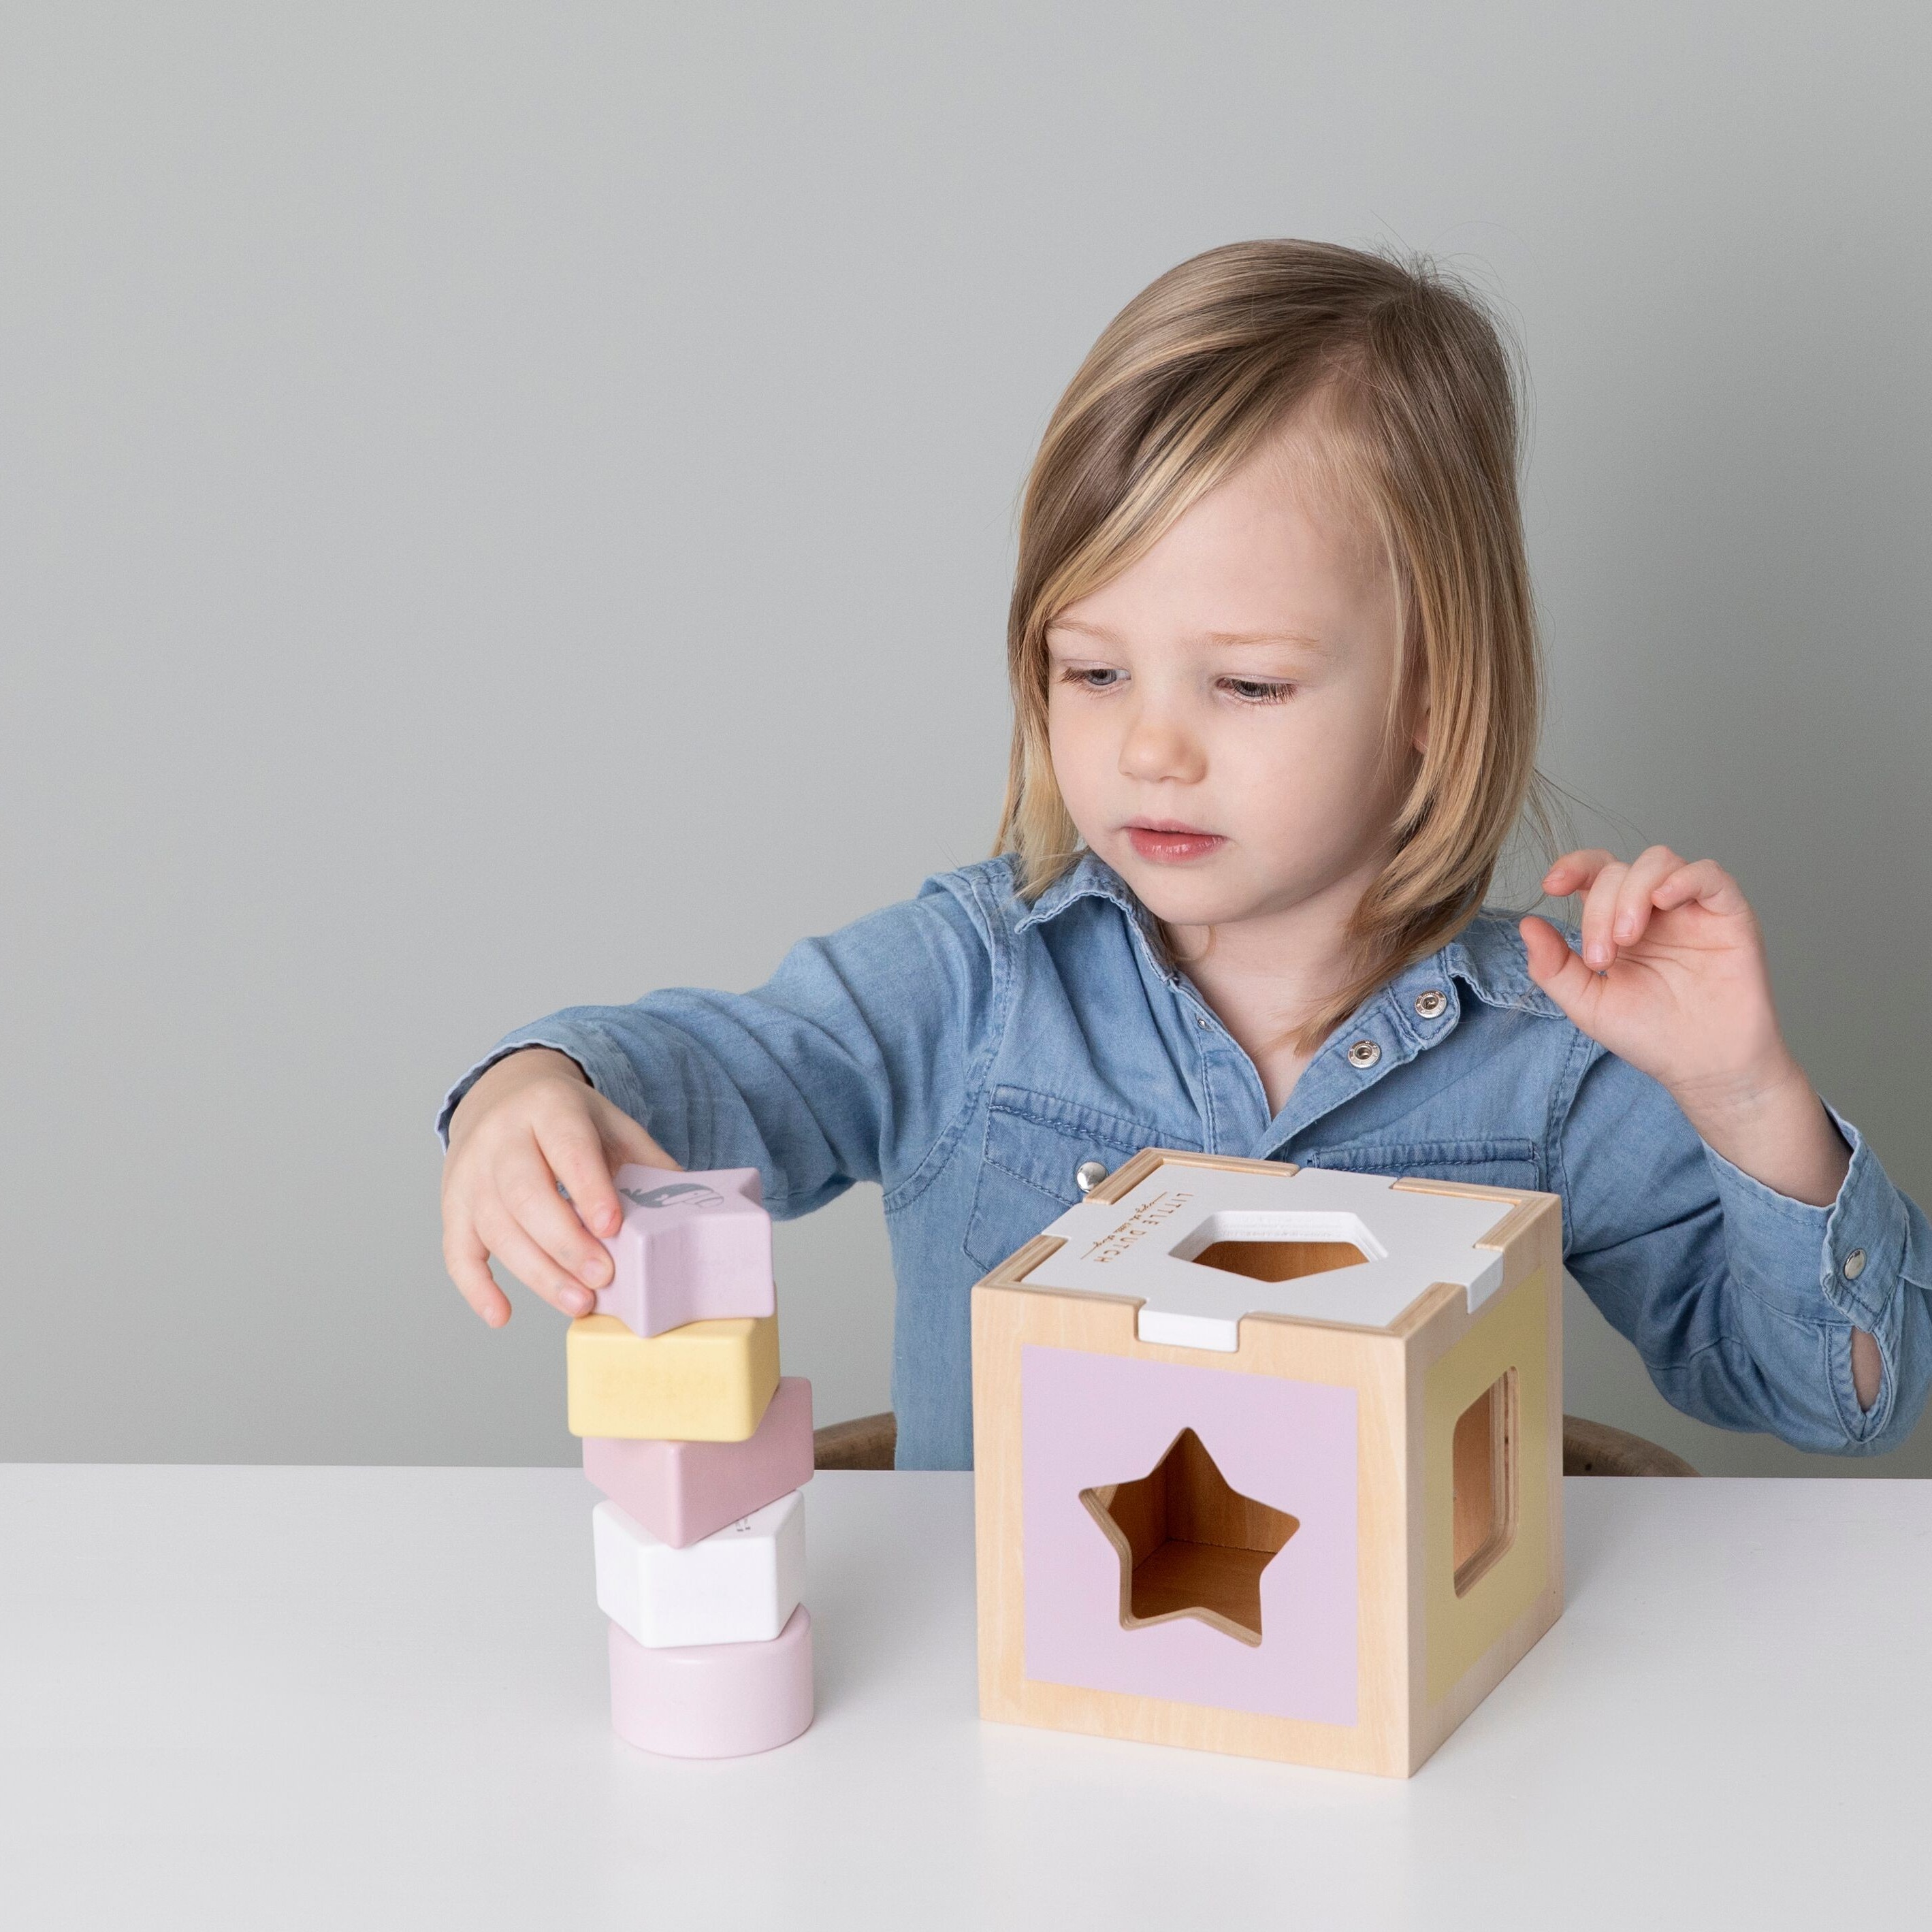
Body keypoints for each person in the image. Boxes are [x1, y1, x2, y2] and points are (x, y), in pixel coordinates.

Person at [434, 239, 1928, 1470]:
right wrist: (535, 1088)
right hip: (1009, 1709)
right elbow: (713, 1077)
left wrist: (1744, 1097)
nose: (1151, 747)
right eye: (1092, 671)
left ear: (1432, 693)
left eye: (1248, 684)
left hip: (1402, 1724)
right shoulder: (973, 982)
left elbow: (1840, 1401)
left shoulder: (1554, 1061)